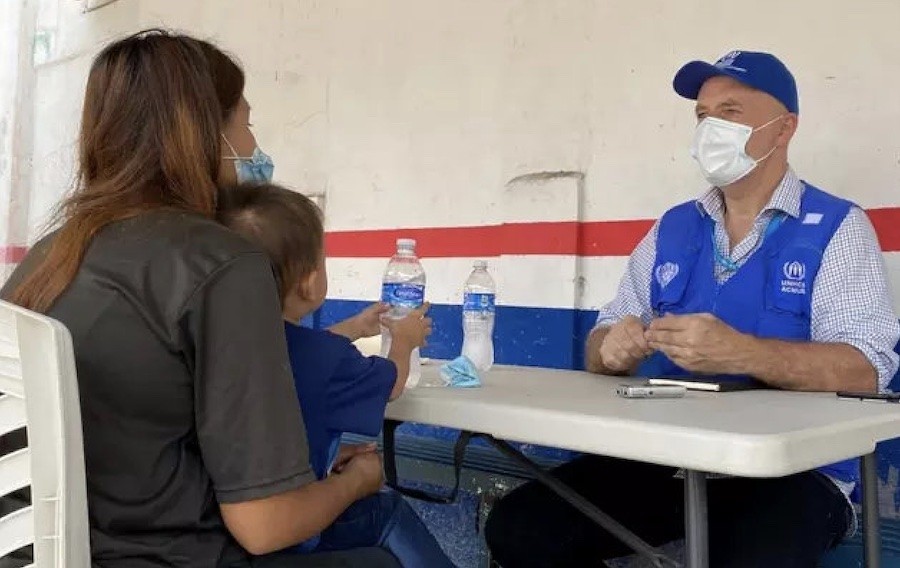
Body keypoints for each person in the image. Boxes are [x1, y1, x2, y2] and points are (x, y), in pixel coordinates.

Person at [1, 30, 400, 568]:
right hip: (175, 557)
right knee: (385, 544)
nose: (255, 148)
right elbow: (264, 525)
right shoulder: (222, 263)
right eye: (247, 123)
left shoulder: (50, 255)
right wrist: (359, 479)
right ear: (206, 134)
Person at [485, 50, 900, 567]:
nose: (709, 129)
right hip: (671, 457)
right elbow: (601, 340)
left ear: (783, 128)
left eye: (729, 112)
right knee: (523, 528)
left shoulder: (836, 227)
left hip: (793, 473)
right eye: (702, 116)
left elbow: (866, 370)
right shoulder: (673, 228)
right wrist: (612, 347)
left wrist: (746, 354)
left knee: (750, 556)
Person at [217, 182, 456, 568]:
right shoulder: (327, 358)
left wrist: (354, 328)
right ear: (310, 282)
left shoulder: (231, 346)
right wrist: (404, 342)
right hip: (298, 528)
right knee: (388, 511)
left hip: (229, 530)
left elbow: (302, 352)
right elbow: (392, 384)